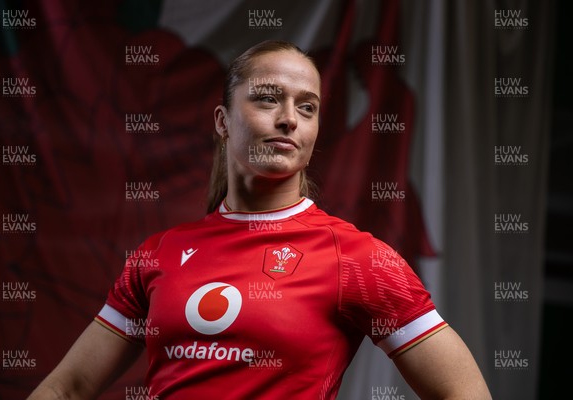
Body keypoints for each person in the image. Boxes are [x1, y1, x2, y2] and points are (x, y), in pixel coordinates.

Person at [28, 40, 492, 399]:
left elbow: (462, 391)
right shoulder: (158, 253)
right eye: (268, 99)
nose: (289, 118)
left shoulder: (356, 257)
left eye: (307, 107)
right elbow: (65, 388)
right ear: (223, 120)